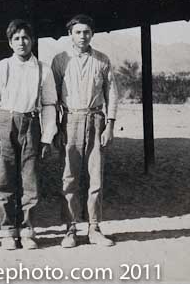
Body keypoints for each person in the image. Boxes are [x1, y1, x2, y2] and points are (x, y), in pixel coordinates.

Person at [0, 19, 57, 251]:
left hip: (31, 122)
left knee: (30, 178)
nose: (21, 42)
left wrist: (47, 137)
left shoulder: (43, 69)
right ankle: (7, 230)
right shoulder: (1, 67)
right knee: (4, 178)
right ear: (10, 42)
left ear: (32, 40)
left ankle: (27, 230)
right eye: (16, 38)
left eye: (25, 37)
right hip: (5, 121)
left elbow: (49, 104)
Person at [51, 14, 118, 248]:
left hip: (96, 118)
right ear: (70, 34)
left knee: (95, 177)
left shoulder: (102, 60)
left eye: (86, 32)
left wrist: (109, 124)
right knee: (69, 178)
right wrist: (56, 128)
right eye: (78, 32)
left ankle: (94, 228)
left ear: (92, 34)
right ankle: (70, 230)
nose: (82, 36)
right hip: (70, 120)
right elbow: (52, 98)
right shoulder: (60, 60)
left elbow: (112, 93)